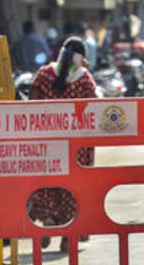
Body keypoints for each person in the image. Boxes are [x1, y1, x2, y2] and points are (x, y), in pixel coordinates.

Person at [27, 37, 96, 252]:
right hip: (76, 145)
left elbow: (32, 102)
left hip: (48, 141)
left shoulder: (44, 73)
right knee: (74, 187)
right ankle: (69, 237)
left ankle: (48, 219)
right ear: (82, 57)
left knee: (47, 181)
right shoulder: (84, 79)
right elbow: (94, 106)